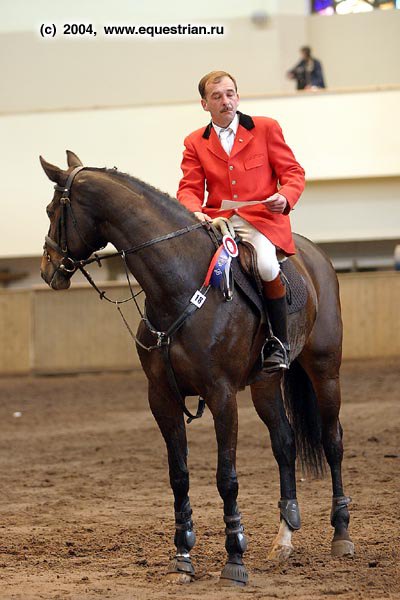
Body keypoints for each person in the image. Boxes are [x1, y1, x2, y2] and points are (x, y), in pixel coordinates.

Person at [176, 70, 305, 372]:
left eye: (230, 93)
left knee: (266, 265)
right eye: (217, 96)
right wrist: (193, 209)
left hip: (261, 219)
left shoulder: (265, 128)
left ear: (238, 96)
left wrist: (285, 197)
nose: (226, 101)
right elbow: (189, 188)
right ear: (204, 104)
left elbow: (293, 174)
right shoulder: (195, 141)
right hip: (218, 221)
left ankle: (279, 343)